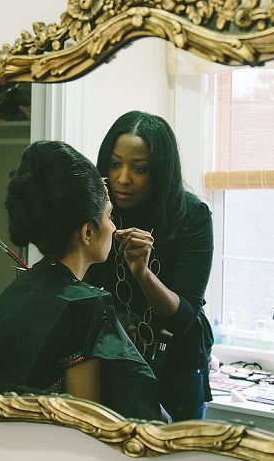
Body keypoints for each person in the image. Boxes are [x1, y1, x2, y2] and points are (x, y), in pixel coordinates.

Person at [0, 140, 164, 422]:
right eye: (108, 216)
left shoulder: (24, 284)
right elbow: (86, 427)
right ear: (87, 232)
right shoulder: (85, 307)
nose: (114, 227)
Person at [87, 111, 214, 422]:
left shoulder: (192, 217)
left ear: (161, 171)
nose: (123, 178)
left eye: (139, 168)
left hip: (176, 366)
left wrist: (143, 274)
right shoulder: (96, 212)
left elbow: (183, 317)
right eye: (115, 164)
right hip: (111, 360)